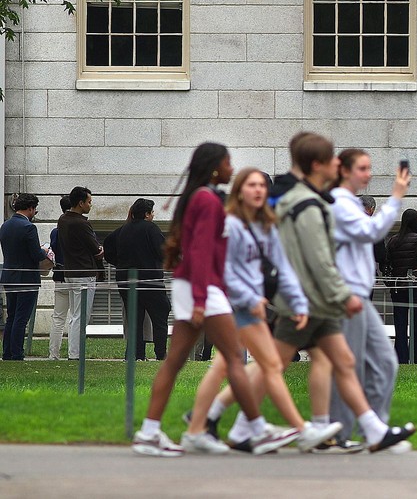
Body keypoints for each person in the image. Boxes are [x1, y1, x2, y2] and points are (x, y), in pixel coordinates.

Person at [198, 134, 415, 455]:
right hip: (309, 299)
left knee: (336, 362)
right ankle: (235, 423)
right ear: (317, 165)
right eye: (332, 161)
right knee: (274, 364)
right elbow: (317, 259)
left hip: (313, 297)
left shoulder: (311, 200)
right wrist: (340, 295)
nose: (336, 165)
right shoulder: (309, 204)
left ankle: (365, 430)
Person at [131, 142, 298, 457]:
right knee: (234, 358)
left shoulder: (201, 196)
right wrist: (200, 299)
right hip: (203, 288)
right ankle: (258, 430)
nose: (232, 168)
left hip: (197, 286)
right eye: (227, 162)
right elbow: (200, 251)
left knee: (177, 360)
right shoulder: (207, 200)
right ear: (214, 167)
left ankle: (151, 433)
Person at [185, 167, 341, 453]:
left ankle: (200, 424)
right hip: (234, 304)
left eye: (261, 186)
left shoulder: (265, 225)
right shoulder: (231, 225)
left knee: (225, 366)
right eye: (251, 185)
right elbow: (225, 271)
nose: (258, 190)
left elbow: (283, 268)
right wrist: (249, 298)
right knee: (268, 365)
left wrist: (297, 302)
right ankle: (298, 430)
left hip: (251, 305)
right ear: (239, 192)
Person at [329, 148, 412, 449]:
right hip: (348, 297)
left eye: (369, 168)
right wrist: (396, 196)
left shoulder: (348, 203)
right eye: (362, 169)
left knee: (384, 363)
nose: (368, 174)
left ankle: (373, 431)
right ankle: (338, 433)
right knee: (349, 366)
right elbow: (373, 230)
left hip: (358, 297)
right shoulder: (339, 203)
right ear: (344, 171)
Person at [109, 199, 171, 361]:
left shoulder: (122, 230)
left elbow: (108, 248)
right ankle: (160, 353)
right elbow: (163, 252)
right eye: (152, 212)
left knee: (134, 319)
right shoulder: (151, 229)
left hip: (126, 281)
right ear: (146, 214)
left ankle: (136, 354)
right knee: (160, 315)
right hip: (150, 280)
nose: (153, 215)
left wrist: (120, 263)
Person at [1, 194, 51, 360]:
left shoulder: (5, 225)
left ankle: (7, 352)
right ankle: (17, 353)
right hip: (26, 277)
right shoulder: (29, 227)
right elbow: (36, 255)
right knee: (22, 318)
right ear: (30, 208)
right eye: (35, 209)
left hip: (9, 276)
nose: (34, 212)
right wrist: (44, 251)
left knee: (11, 316)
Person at [58, 186, 104, 361]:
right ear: (80, 203)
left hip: (70, 271)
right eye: (89, 202)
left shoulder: (63, 219)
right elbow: (95, 249)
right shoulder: (81, 223)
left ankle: (74, 351)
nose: (90, 205)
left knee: (75, 315)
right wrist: (100, 250)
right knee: (81, 315)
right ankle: (75, 353)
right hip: (84, 272)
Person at [385, 208, 417, 364]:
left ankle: (401, 357)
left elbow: (386, 262)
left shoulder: (393, 240)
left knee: (400, 324)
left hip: (398, 287)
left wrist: (390, 280)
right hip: (415, 286)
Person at [47, 195, 73, 359]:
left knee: (58, 317)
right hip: (76, 276)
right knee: (76, 317)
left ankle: (53, 354)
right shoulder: (80, 227)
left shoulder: (55, 232)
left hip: (60, 276)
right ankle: (74, 353)